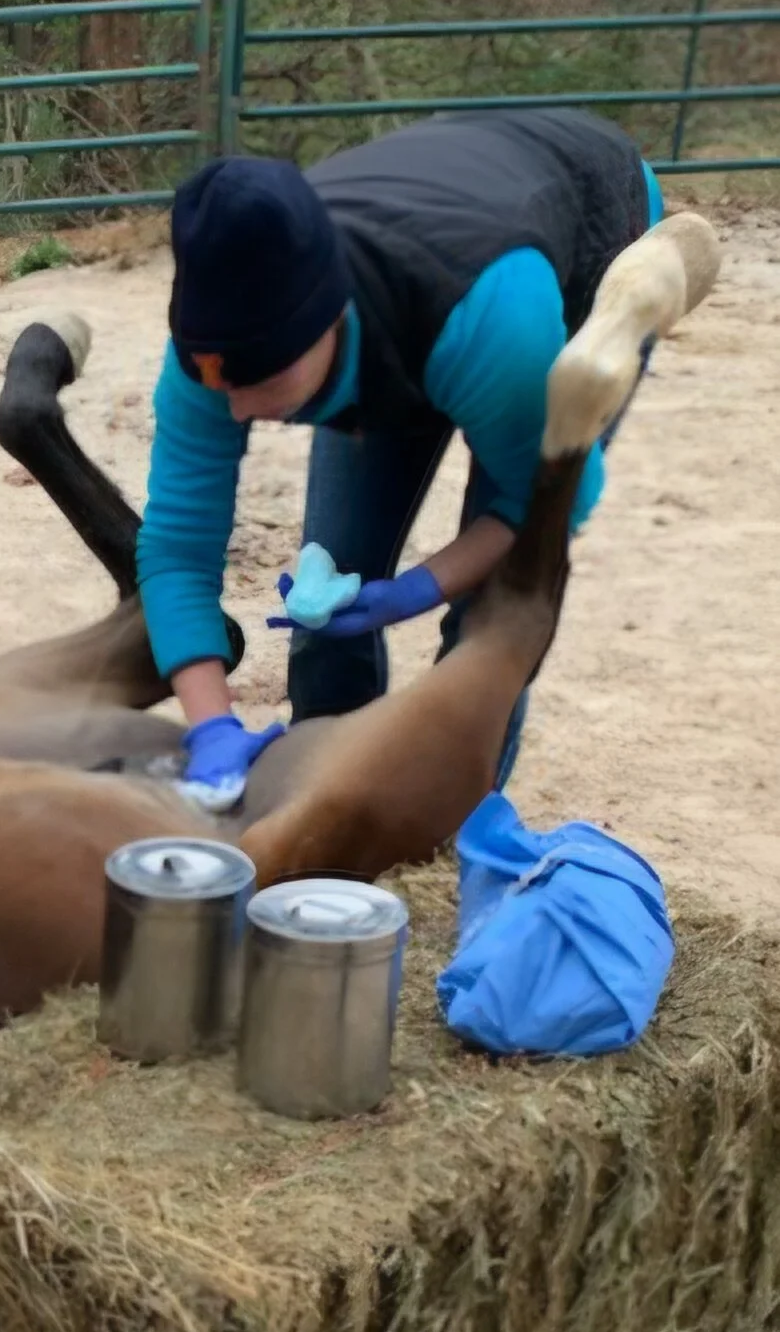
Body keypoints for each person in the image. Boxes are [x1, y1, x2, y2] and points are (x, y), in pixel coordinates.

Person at [139, 109, 666, 810]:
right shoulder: (216, 353)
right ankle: (324, 795)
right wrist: (212, 729)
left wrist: (418, 589)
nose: (234, 412)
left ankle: (452, 815)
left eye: (261, 384)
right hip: (422, 265)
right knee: (330, 607)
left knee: (489, 614)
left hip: (574, 239)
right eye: (218, 384)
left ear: (329, 322)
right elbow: (177, 549)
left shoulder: (489, 328)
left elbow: (544, 505)